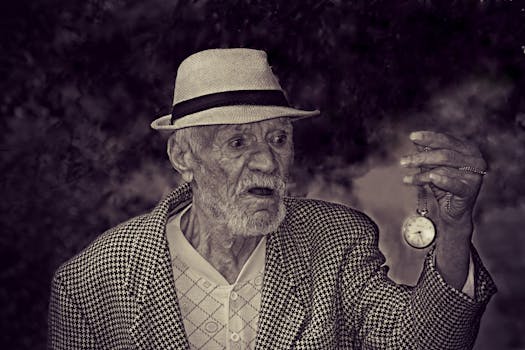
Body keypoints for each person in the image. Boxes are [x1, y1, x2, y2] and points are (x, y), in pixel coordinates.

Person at [48, 48, 496, 350]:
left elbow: (415, 342)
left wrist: (454, 231)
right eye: (238, 143)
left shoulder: (335, 240)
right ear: (183, 155)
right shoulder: (89, 284)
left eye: (279, 138)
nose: (267, 161)